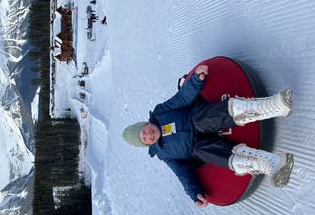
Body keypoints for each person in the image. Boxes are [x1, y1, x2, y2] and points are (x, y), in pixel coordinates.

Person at [122, 65, 294, 207]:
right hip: (201, 146)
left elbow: (182, 99)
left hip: (201, 118)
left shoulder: (161, 112)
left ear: (145, 124)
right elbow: (183, 173)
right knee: (202, 150)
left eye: (144, 131)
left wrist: (196, 80)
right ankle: (271, 163)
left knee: (199, 120)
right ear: (147, 145)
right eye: (144, 139)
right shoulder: (164, 154)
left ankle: (273, 105)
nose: (148, 135)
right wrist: (195, 194)